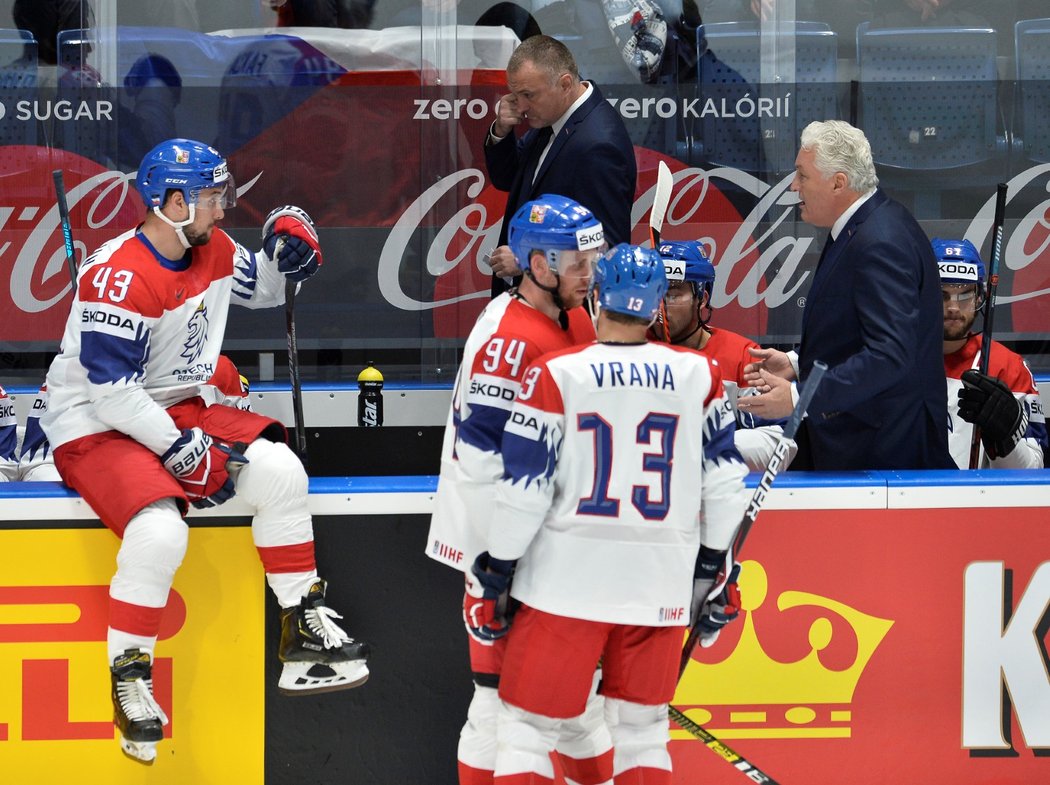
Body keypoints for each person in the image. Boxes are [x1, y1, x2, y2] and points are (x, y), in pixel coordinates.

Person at [39, 138, 370, 764]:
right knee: (160, 530)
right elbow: (112, 396)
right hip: (94, 420)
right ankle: (130, 675)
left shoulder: (209, 245)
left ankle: (303, 625)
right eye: (215, 198)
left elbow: (265, 289)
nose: (225, 210)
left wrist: (287, 253)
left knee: (279, 473)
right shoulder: (117, 275)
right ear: (171, 203)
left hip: (171, 403)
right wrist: (180, 448)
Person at [467, 243, 748, 784]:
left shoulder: (556, 373)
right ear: (655, 307)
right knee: (643, 731)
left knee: (526, 730)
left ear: (597, 299)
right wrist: (714, 569)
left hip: (563, 583)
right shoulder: (699, 375)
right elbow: (726, 483)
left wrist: (497, 570)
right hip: (659, 584)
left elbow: (524, 489)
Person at [427, 194, 614, 785]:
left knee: (578, 705)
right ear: (539, 266)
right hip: (507, 550)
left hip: (554, 545)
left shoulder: (571, 316)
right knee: (500, 711)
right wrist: (495, 570)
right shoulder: (511, 341)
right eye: (579, 263)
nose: (592, 274)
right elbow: (481, 463)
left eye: (594, 258)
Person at [739, 120, 953, 470]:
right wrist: (796, 362)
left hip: (886, 452)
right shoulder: (866, 226)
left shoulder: (881, 240)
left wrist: (797, 397)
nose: (793, 187)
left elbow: (888, 355)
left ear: (838, 182)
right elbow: (855, 332)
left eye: (802, 176)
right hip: (865, 440)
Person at [483, 35, 637, 296]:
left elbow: (605, 251)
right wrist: (502, 131)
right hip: (534, 301)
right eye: (515, 94)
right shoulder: (555, 115)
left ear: (565, 84)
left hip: (564, 313)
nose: (519, 106)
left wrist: (526, 260)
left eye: (528, 95)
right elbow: (509, 178)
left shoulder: (598, 146)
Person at [650, 239, 795, 471]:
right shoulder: (630, 349)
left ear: (702, 298)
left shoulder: (742, 356)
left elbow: (780, 441)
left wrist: (702, 449)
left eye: (673, 294)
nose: (660, 305)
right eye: (653, 291)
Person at [934, 238, 1048, 469]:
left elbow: (1033, 471)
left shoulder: (1008, 365)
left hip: (978, 501)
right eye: (942, 294)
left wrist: (1006, 435)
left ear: (979, 297)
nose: (953, 307)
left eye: (964, 295)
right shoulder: (894, 358)